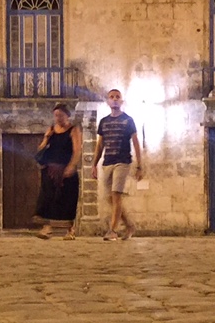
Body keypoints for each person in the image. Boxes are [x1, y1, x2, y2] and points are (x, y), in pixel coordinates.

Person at [93, 89, 143, 240]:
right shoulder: (103, 122)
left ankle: (113, 230)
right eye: (111, 97)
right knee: (110, 198)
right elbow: (100, 145)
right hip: (107, 162)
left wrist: (139, 166)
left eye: (117, 97)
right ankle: (129, 225)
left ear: (121, 101)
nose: (114, 99)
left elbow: (135, 142)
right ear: (108, 101)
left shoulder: (128, 120)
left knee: (116, 195)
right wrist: (94, 164)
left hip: (122, 161)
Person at [34, 103, 81, 239]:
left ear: (67, 115)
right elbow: (40, 149)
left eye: (61, 115)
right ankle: (47, 228)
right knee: (47, 198)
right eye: (56, 115)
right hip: (50, 170)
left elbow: (77, 150)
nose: (58, 118)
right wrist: (46, 137)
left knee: (67, 199)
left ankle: (70, 230)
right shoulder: (51, 130)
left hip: (66, 170)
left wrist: (71, 166)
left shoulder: (73, 130)